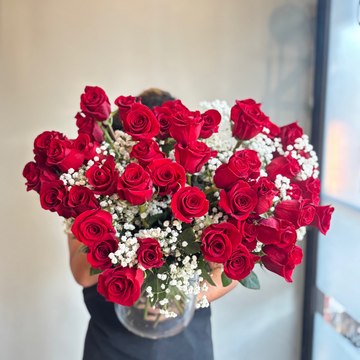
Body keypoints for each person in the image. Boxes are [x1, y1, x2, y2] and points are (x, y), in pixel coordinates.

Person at [68, 88, 238, 360]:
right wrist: (125, 248)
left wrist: (175, 297)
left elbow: (231, 271)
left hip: (186, 345)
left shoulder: (203, 192)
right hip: (110, 345)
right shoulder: (88, 192)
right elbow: (83, 273)